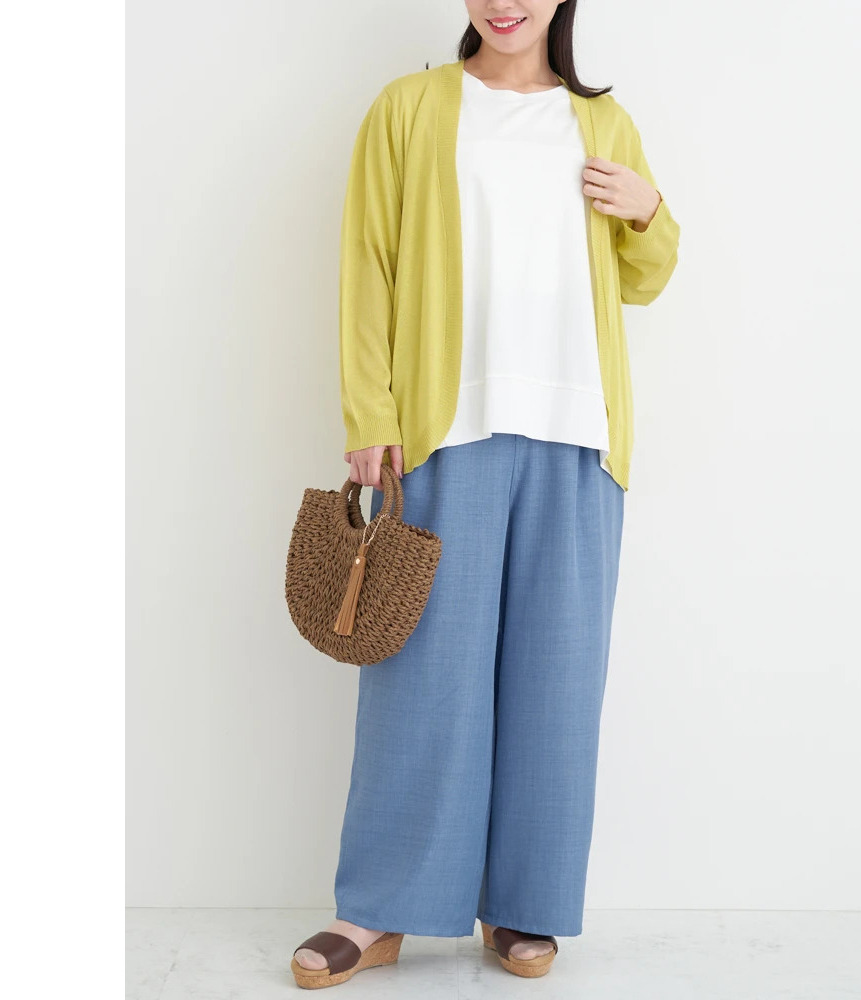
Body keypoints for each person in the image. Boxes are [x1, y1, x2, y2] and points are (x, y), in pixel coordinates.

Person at [291, 0, 680, 987]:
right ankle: (377, 910)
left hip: (578, 433)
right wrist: (369, 411)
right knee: (421, 679)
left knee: (557, 683)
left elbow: (643, 279)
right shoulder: (410, 108)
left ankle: (522, 907)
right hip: (443, 428)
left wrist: (648, 211)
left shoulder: (603, 122)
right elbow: (368, 266)